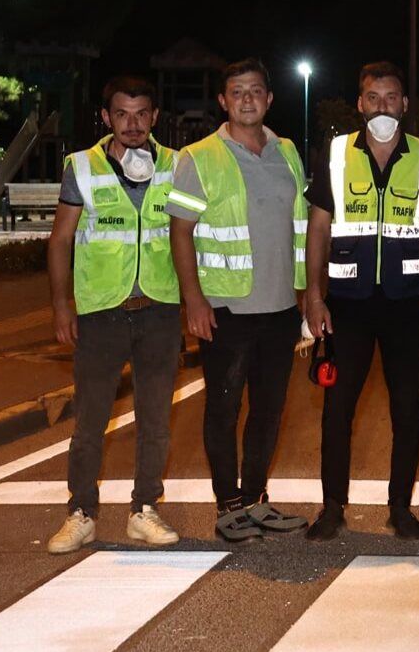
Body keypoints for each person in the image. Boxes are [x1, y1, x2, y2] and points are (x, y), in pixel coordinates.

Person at [166, 58, 309, 541]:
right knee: (223, 410)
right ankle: (228, 504)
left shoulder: (287, 151)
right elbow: (180, 233)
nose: (247, 99)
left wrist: (307, 295)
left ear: (269, 100)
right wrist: (195, 300)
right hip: (226, 308)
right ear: (223, 101)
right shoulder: (198, 156)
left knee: (269, 410)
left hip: (281, 309)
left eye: (256, 91)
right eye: (237, 92)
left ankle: (256, 499)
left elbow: (302, 227)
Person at [45, 76, 181, 554]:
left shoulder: (175, 166)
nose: (132, 124)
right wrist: (63, 306)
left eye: (142, 113)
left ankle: (144, 510)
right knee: (90, 423)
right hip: (101, 314)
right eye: (122, 114)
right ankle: (81, 513)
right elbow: (61, 239)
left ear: (155, 118)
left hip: (160, 312)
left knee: (156, 421)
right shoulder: (82, 168)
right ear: (106, 117)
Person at [301, 62, 419, 542]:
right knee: (337, 410)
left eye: (391, 97)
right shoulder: (334, 155)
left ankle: (400, 506)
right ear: (360, 104)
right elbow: (318, 227)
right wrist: (314, 296)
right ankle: (332, 506)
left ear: (404, 104)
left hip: (405, 306)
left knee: (408, 410)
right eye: (373, 98)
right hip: (347, 305)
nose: (382, 106)